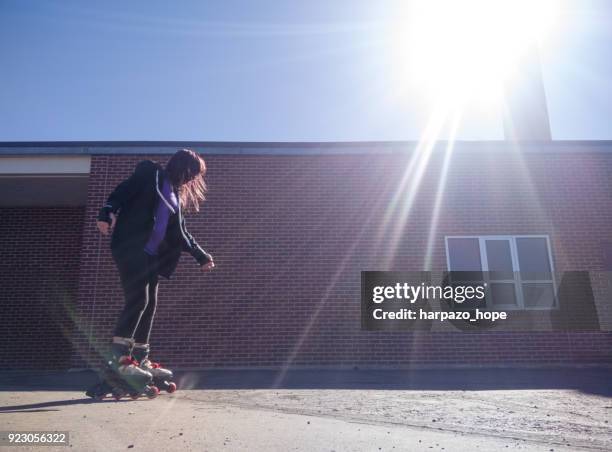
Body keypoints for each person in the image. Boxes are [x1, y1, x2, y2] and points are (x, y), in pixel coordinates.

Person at [95, 149, 215, 389]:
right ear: (181, 165)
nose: (192, 179)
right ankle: (119, 360)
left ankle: (139, 358)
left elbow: (180, 233)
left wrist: (201, 255)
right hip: (131, 246)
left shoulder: (175, 196)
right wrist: (107, 211)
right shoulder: (150, 173)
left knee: (149, 305)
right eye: (191, 172)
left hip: (151, 257)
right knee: (138, 299)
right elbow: (123, 190)